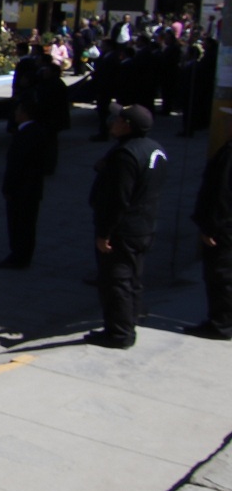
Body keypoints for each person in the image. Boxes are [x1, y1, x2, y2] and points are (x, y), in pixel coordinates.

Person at [88, 104, 168, 349]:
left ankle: (119, 333)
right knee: (132, 279)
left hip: (124, 230)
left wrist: (104, 233)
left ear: (127, 126)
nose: (113, 123)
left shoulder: (126, 155)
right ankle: (127, 323)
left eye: (118, 119)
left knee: (117, 282)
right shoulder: (155, 149)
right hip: (144, 225)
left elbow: (117, 200)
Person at [0, 100, 53, 270]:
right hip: (32, 189)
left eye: (18, 111)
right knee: (27, 225)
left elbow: (16, 166)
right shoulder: (38, 132)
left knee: (19, 224)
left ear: (25, 114)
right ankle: (23, 255)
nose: (15, 114)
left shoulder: (25, 135)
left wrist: (8, 187)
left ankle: (18, 257)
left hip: (21, 190)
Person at [191, 134, 232, 340]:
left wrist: (210, 227)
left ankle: (222, 323)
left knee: (220, 275)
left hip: (224, 228)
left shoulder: (229, 154)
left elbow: (220, 194)